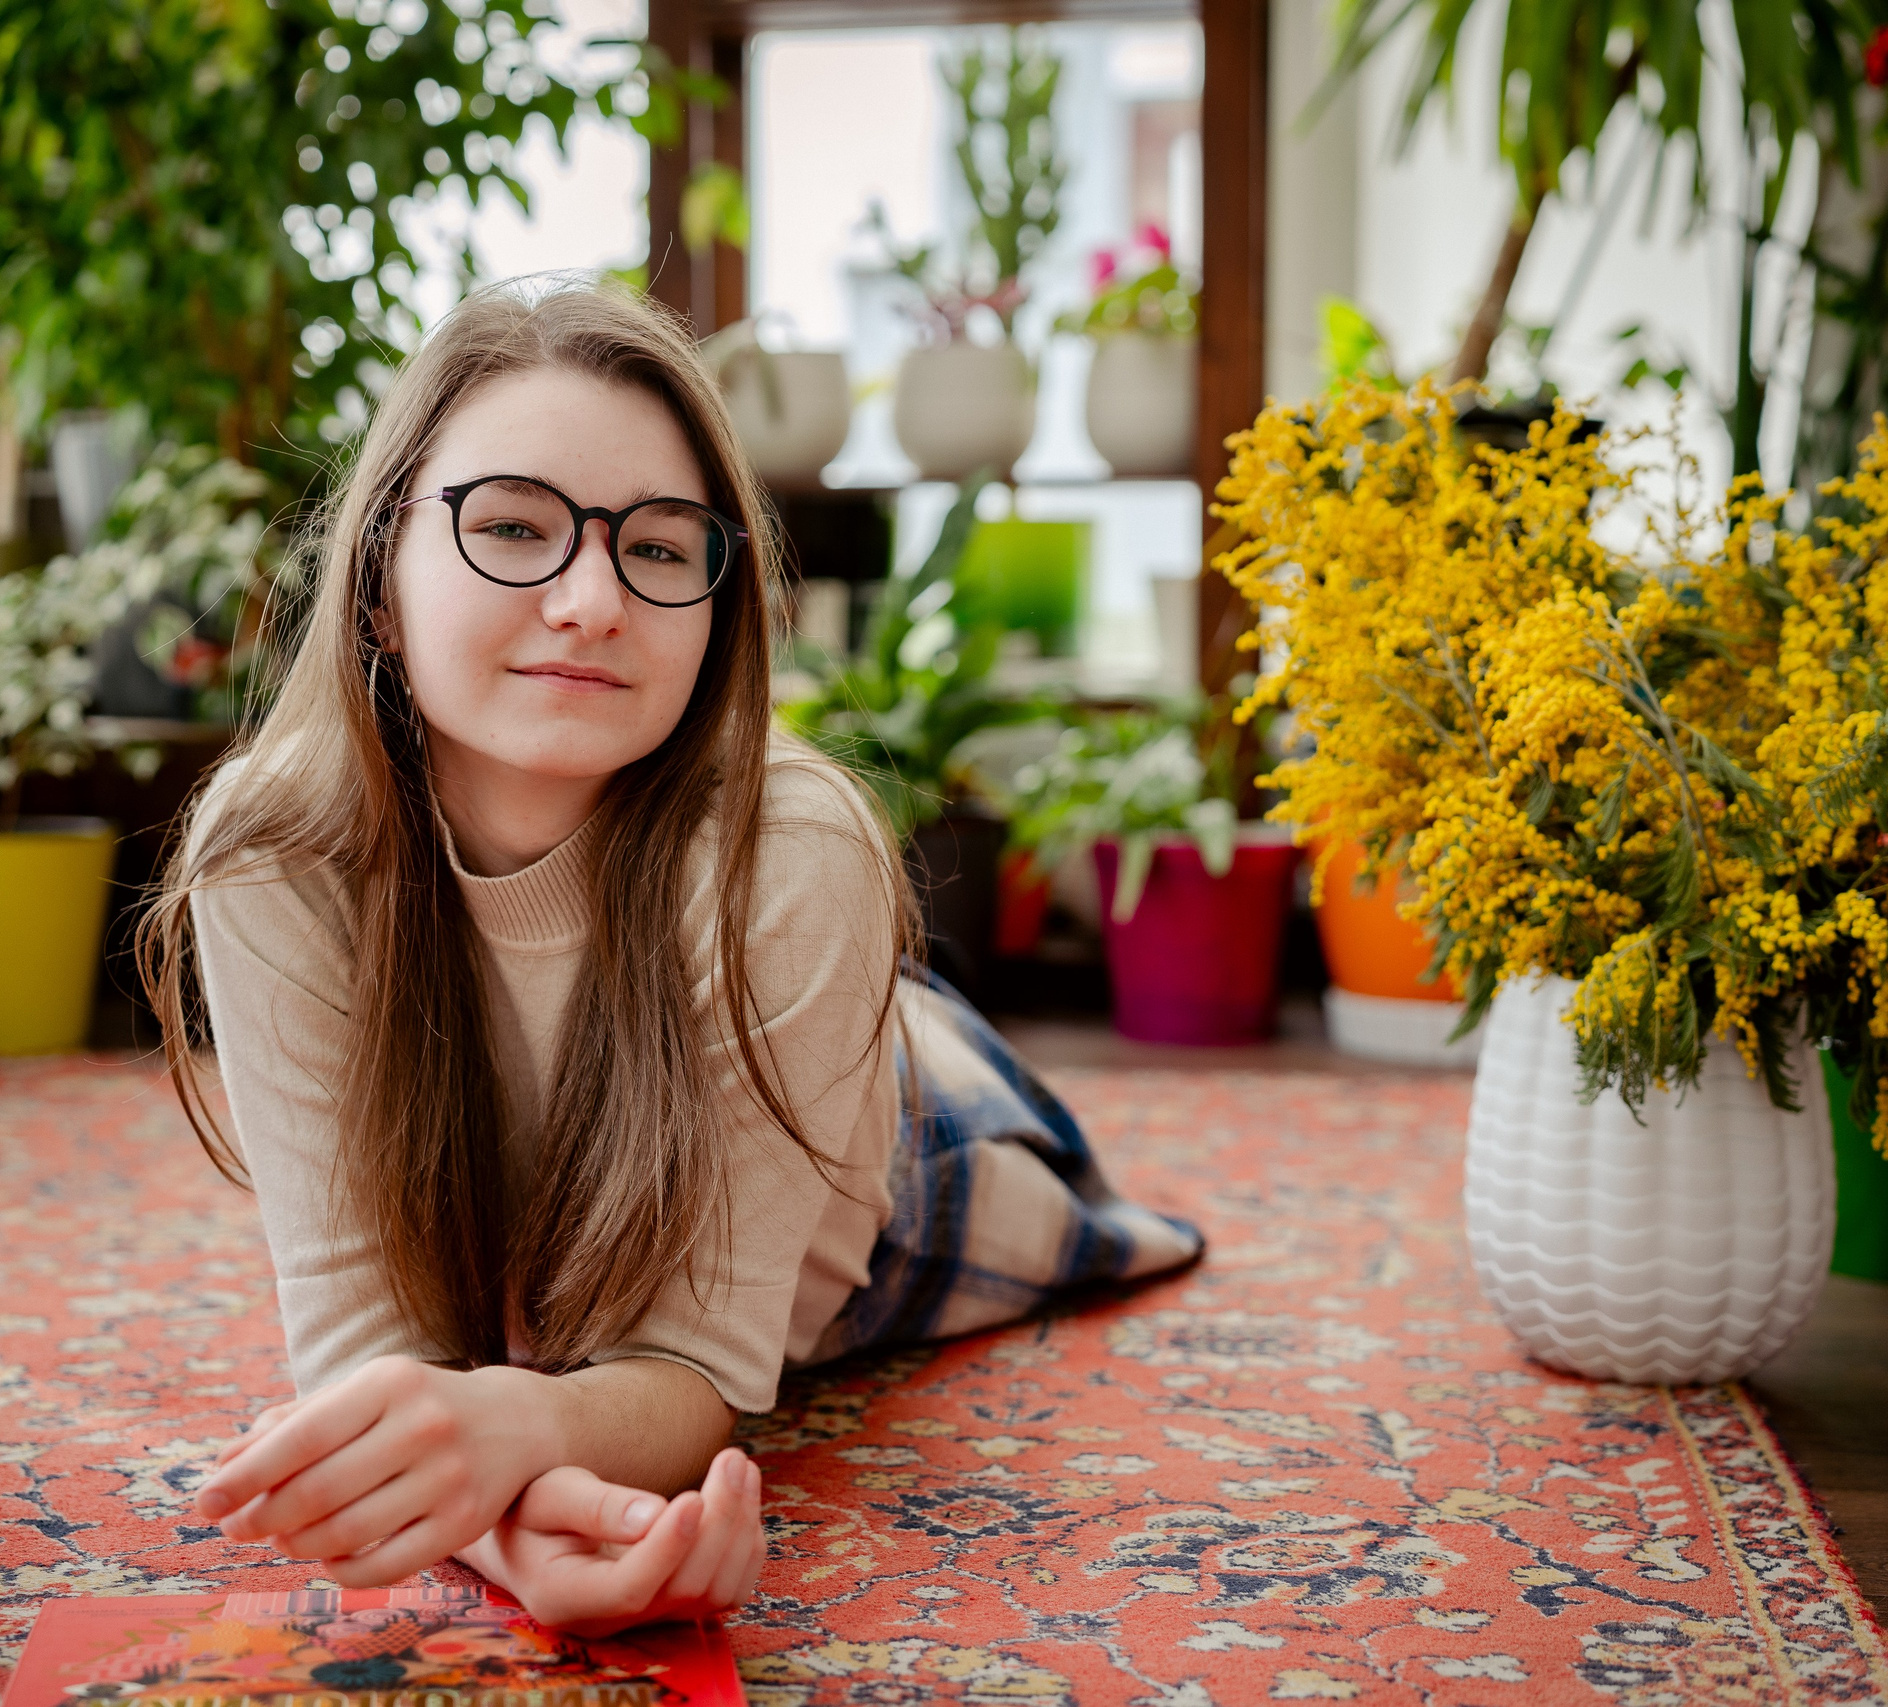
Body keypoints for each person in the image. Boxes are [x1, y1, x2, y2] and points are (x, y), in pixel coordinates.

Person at [140, 279, 1201, 1636]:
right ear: (379, 586)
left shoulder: (797, 851)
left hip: (901, 1150)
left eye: (656, 547)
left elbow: (702, 1374)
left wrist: (504, 1435)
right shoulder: (275, 845)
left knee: (1057, 1213)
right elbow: (376, 1369)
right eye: (513, 526)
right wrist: (524, 1535)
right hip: (597, 1188)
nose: (591, 600)